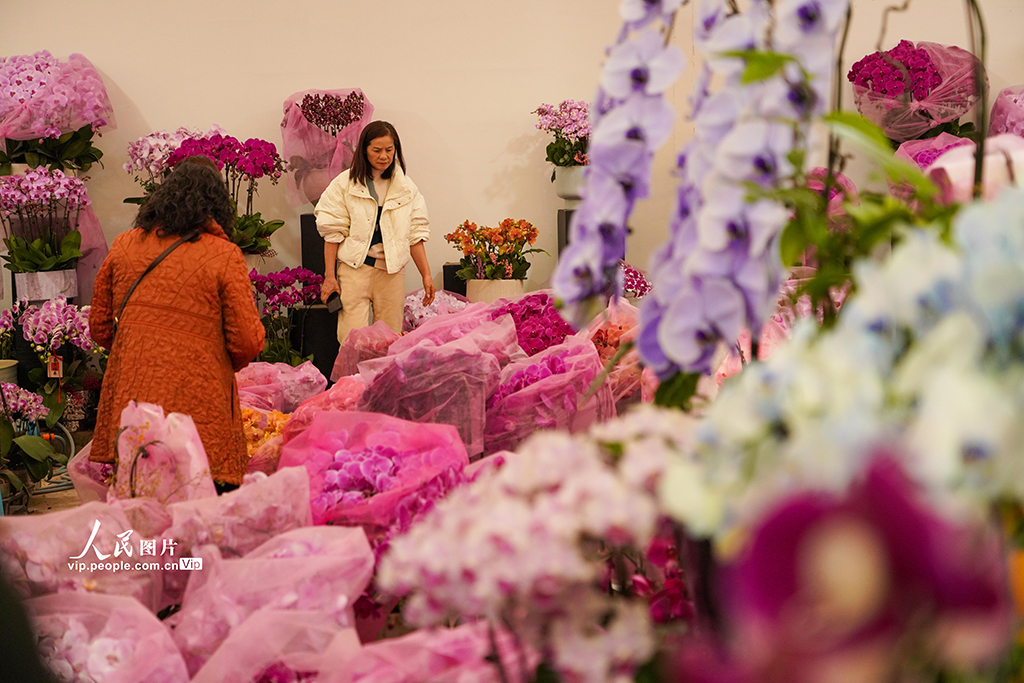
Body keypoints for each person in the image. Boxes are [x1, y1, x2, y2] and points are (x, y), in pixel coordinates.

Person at [88, 156, 265, 490]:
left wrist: (135, 347)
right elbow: (247, 340)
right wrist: (215, 361)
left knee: (139, 496)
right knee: (197, 498)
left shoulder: (124, 245)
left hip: (132, 401)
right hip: (199, 402)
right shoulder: (224, 255)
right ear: (217, 204)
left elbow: (99, 326)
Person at [315, 120, 435, 343]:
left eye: (389, 149)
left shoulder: (406, 188)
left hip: (391, 273)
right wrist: (330, 277)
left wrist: (426, 275)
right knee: (351, 340)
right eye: (377, 150)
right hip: (354, 271)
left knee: (390, 340)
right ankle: (351, 369)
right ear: (364, 150)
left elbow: (415, 234)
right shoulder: (344, 184)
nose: (384, 156)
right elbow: (332, 232)